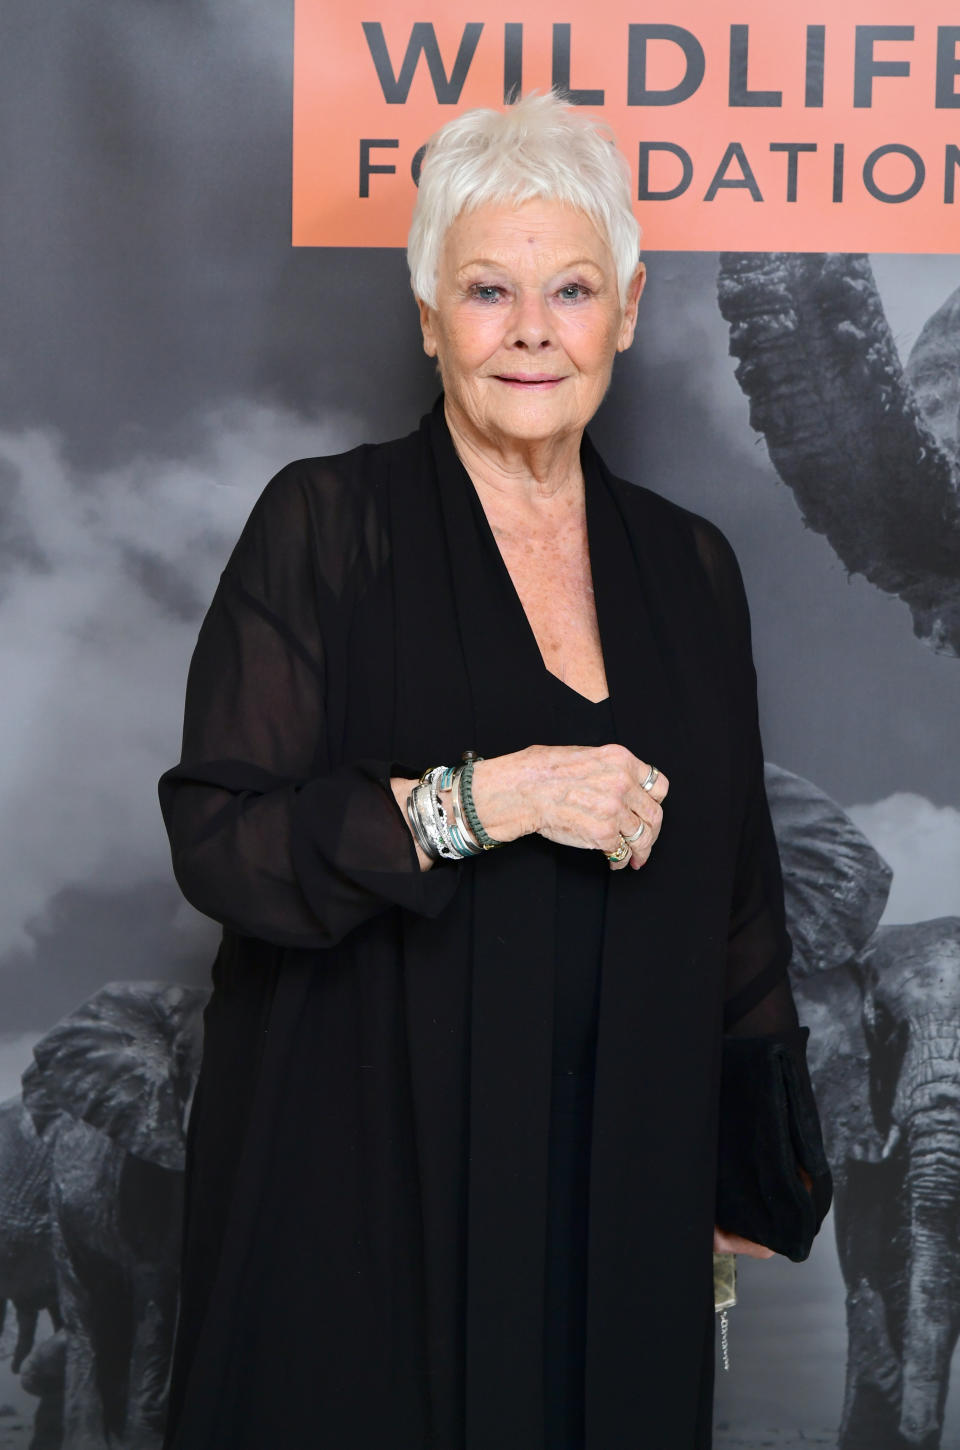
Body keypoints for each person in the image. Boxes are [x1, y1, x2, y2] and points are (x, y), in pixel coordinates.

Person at [158, 91, 828, 1450]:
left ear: (628, 310)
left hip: (621, 1186)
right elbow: (224, 840)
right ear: (427, 316)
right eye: (487, 289)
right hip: (369, 1185)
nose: (533, 327)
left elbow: (739, 894)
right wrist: (483, 799)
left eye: (572, 287)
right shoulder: (325, 526)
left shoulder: (692, 566)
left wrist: (738, 1175)